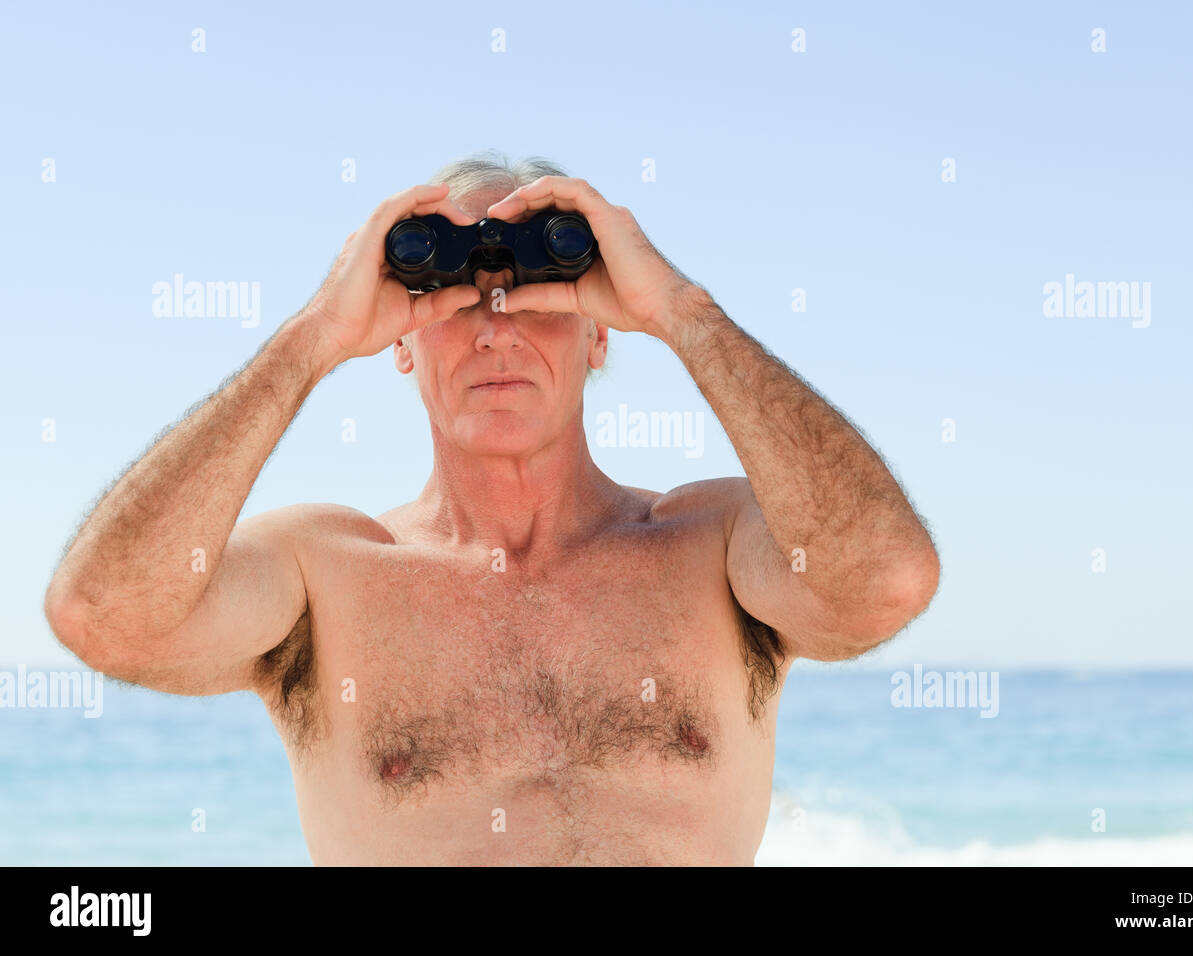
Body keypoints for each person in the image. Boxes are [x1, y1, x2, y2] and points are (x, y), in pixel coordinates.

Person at [44, 153, 940, 865]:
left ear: (599, 331)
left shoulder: (716, 546)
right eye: (453, 291)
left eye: (536, 287)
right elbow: (104, 614)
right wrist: (313, 335)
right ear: (401, 342)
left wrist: (681, 311)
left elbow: (886, 580)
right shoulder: (327, 573)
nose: (495, 324)